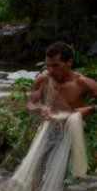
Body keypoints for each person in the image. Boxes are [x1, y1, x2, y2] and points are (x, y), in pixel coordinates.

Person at [26, 41, 97, 177]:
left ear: (69, 62)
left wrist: (91, 108)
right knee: (35, 176)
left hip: (68, 139)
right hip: (45, 135)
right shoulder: (42, 80)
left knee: (61, 181)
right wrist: (39, 108)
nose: (51, 70)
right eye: (48, 66)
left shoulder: (81, 83)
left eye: (56, 66)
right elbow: (29, 105)